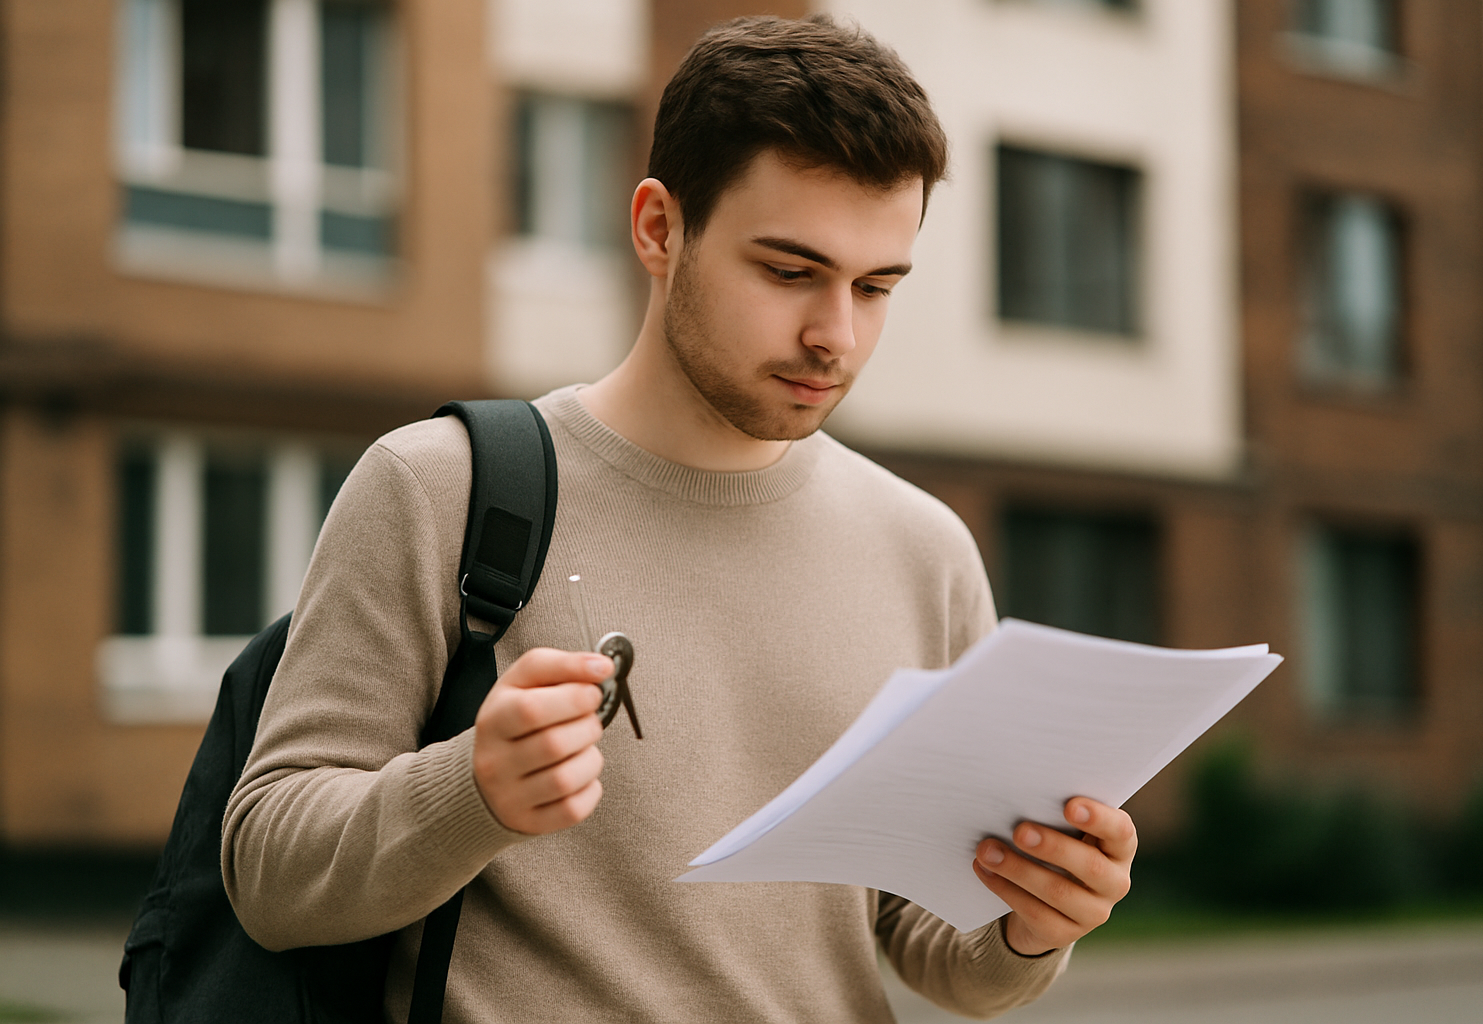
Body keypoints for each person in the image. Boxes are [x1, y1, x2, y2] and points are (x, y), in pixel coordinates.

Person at [223, 14, 1136, 1023]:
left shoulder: (925, 550)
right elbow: (268, 868)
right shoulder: (438, 487)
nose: (834, 334)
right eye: (789, 271)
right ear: (660, 227)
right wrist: (470, 790)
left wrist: (1031, 921)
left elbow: (929, 943)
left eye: (876, 286)